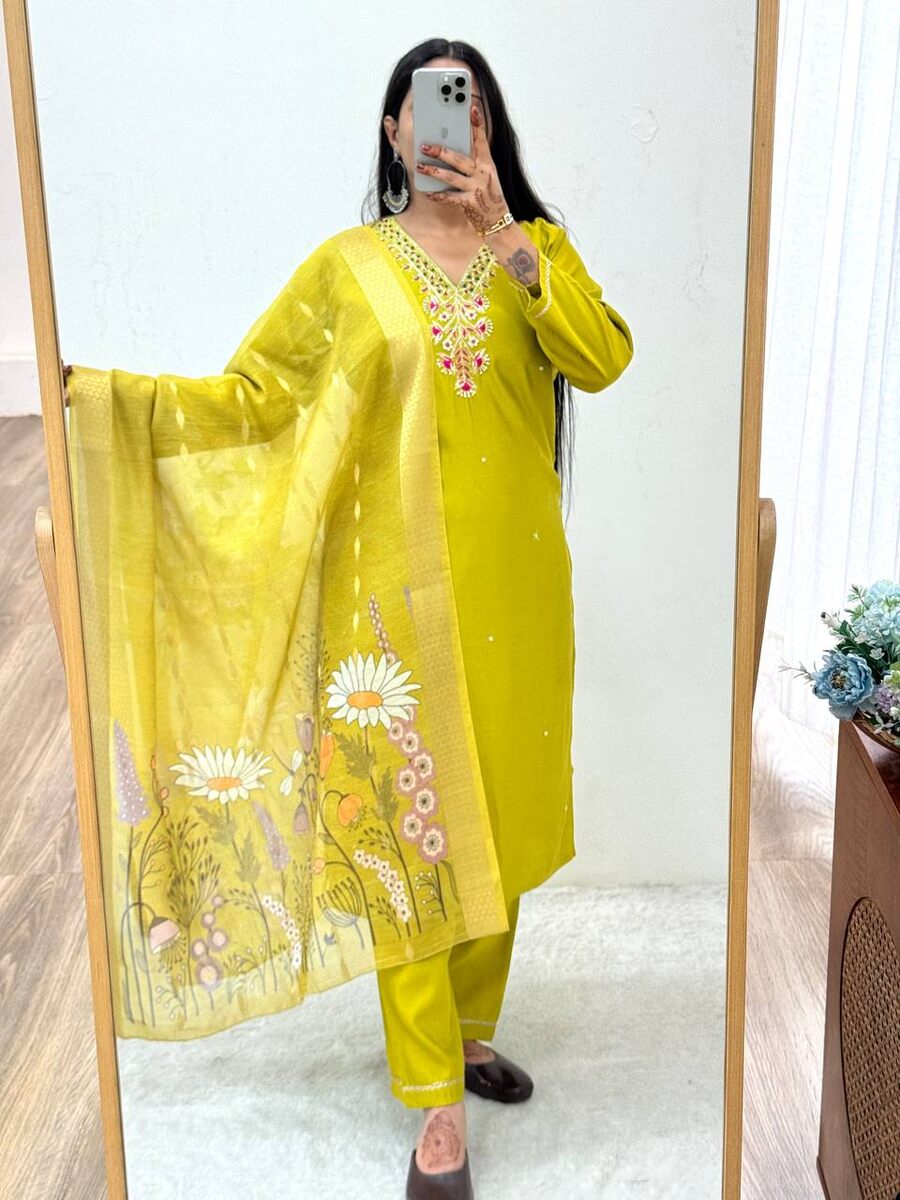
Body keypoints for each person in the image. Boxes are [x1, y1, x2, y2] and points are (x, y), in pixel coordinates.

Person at [63, 38, 633, 1200]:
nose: (447, 128)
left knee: (505, 827)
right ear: (393, 132)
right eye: (427, 108)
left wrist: (515, 240)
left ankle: (467, 1032)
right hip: (395, 613)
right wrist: (115, 404)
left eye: (467, 110)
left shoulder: (537, 250)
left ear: (488, 130)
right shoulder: (350, 269)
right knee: (410, 843)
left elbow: (605, 358)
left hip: (520, 592)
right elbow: (258, 398)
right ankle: (434, 1104)